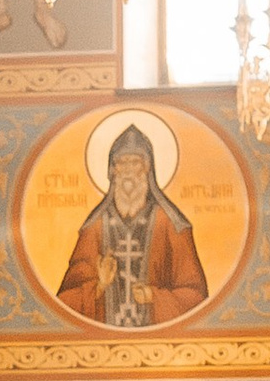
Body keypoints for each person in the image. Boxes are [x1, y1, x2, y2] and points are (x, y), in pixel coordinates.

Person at [56, 125, 210, 329]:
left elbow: (195, 295)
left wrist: (153, 296)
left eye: (135, 162)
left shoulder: (172, 224)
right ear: (113, 170)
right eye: (122, 162)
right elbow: (65, 301)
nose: (128, 169)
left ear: (147, 168)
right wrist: (98, 286)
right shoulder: (94, 228)